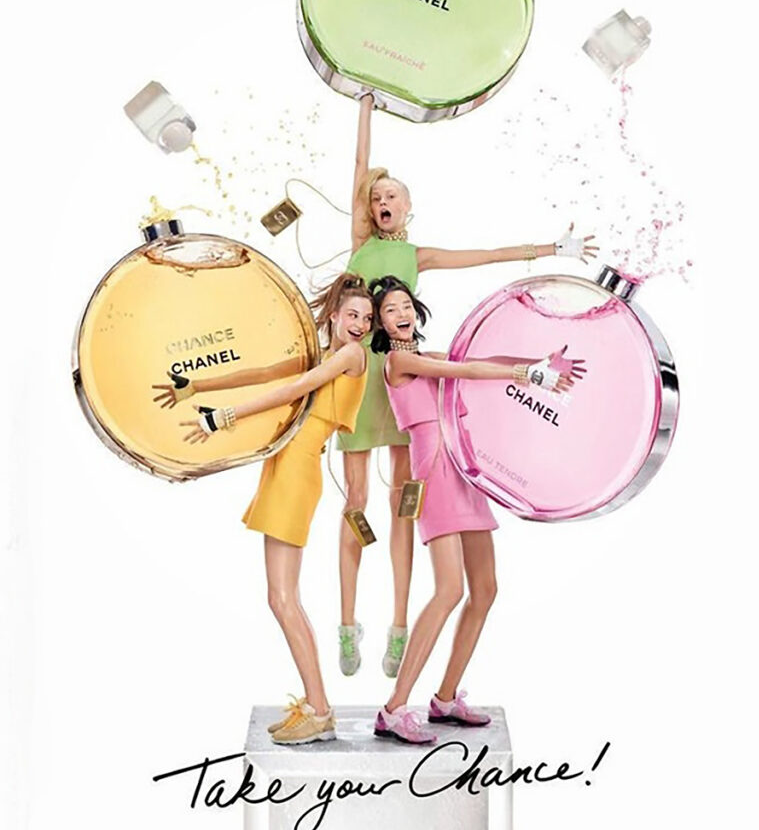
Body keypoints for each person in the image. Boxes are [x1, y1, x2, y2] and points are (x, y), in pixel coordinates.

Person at [337, 94, 598, 681]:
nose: (382, 202)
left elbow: (486, 256)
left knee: (403, 504)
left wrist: (552, 249)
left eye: (391, 196)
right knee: (354, 500)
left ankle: (399, 625)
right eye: (376, 198)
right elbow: (359, 167)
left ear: (408, 206)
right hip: (361, 379)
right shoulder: (361, 243)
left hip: (406, 386)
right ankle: (348, 622)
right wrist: (365, 107)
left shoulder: (416, 256)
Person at [152, 274, 372, 745]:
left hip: (296, 473)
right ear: (334, 316)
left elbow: (299, 388)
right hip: (284, 468)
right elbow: (264, 373)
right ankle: (316, 705)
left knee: (282, 597)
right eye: (353, 314)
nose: (360, 324)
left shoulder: (352, 356)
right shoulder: (326, 354)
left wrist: (225, 416)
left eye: (367, 318)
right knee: (283, 597)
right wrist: (197, 386)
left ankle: (319, 710)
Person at [367, 276, 585, 744]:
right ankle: (393, 709)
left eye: (405, 305)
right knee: (449, 589)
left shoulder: (430, 356)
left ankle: (445, 700)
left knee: (484, 589)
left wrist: (536, 364)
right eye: (390, 310)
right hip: (434, 471)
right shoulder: (398, 361)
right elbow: (463, 370)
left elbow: (476, 361)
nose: (401, 314)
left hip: (464, 470)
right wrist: (525, 375)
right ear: (380, 324)